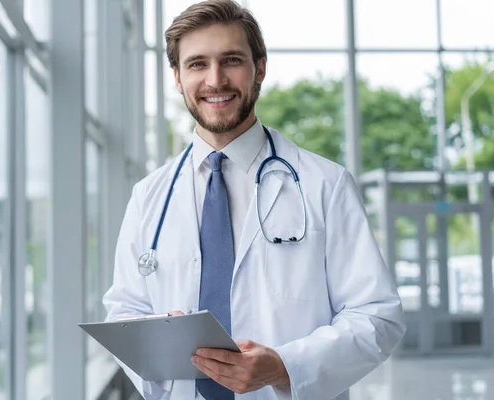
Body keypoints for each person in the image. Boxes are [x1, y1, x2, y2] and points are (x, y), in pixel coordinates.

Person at [103, 0, 405, 399]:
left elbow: (377, 316)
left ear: (258, 68)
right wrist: (159, 340)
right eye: (197, 64)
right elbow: (124, 313)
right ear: (177, 77)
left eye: (231, 60)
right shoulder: (148, 197)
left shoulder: (325, 185)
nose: (215, 80)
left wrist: (284, 366)